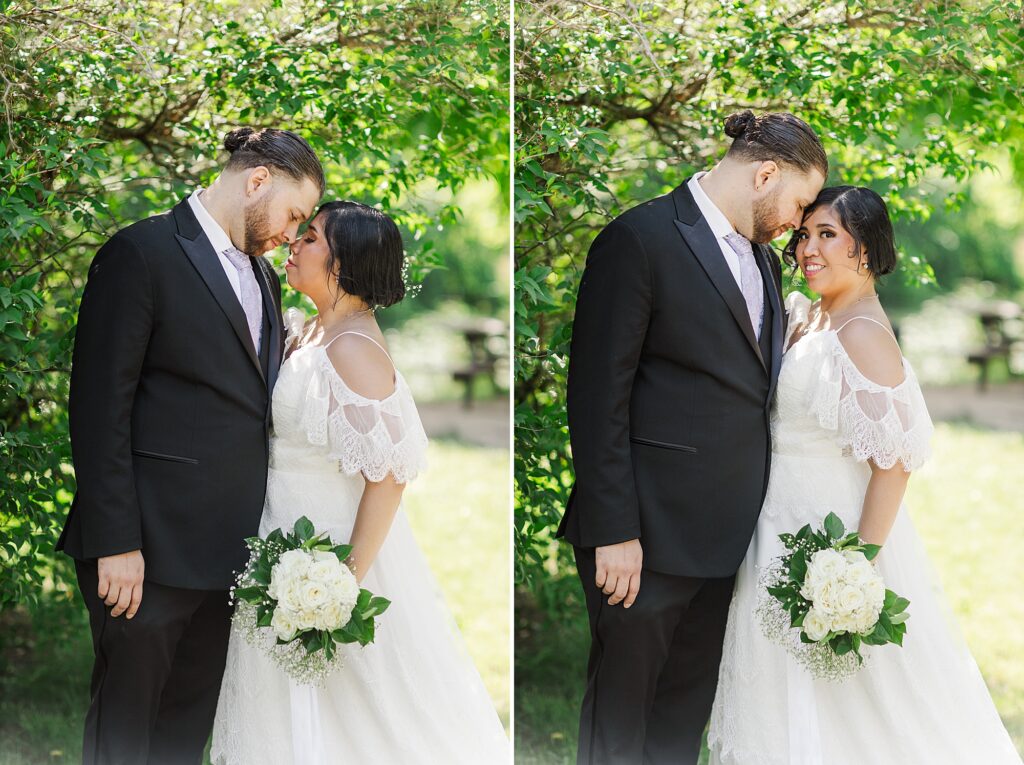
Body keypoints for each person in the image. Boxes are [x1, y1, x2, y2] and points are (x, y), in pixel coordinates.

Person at [706, 186, 1022, 764]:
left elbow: (894, 463)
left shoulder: (864, 336)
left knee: (853, 701)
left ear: (867, 251)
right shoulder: (818, 319)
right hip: (777, 526)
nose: (808, 249)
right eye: (805, 235)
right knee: (782, 684)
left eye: (828, 235)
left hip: (831, 538)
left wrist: (852, 570)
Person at [559, 110, 827, 764]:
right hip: (642, 539)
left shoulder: (762, 260)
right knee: (621, 722)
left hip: (724, 541)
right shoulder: (640, 238)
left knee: (682, 723)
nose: (796, 222)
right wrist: (614, 528)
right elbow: (597, 398)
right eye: (797, 203)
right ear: (765, 173)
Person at [57, 127, 324, 764]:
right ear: (257, 180)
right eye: (293, 214)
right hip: (145, 549)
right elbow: (98, 413)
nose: (292, 233)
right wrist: (116, 542)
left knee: (184, 733)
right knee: (126, 731)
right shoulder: (140, 253)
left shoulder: (263, 275)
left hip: (228, 554)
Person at [210, 201, 509, 764]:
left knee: (356, 711)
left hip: (325, 553)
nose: (295, 242)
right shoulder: (313, 331)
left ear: (343, 265)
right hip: (280, 539)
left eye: (313, 237)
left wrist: (339, 583)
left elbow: (390, 476)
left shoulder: (354, 349)